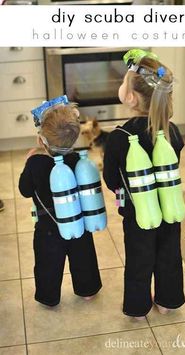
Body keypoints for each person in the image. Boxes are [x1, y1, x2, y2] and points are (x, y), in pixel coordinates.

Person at [103, 49, 185, 320]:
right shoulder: (172, 131)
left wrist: (120, 199)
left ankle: (138, 308)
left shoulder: (119, 137)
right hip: (170, 208)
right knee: (169, 254)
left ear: (130, 97)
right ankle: (168, 301)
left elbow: (112, 179)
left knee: (139, 259)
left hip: (137, 212)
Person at [19, 100, 102, 307]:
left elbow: (25, 190)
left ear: (42, 140)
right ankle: (88, 290)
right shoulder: (77, 161)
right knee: (84, 257)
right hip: (78, 222)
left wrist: (28, 162)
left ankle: (48, 297)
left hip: (48, 226)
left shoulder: (35, 163)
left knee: (47, 263)